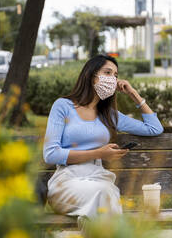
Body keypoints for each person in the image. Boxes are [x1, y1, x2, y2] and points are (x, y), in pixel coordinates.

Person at [43, 54, 163, 229]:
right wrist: (99, 153)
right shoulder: (63, 106)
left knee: (103, 199)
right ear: (92, 76)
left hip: (98, 178)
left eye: (115, 75)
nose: (112, 79)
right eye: (107, 72)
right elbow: (50, 154)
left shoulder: (110, 115)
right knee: (105, 195)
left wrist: (133, 94)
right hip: (66, 183)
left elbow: (154, 128)